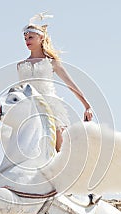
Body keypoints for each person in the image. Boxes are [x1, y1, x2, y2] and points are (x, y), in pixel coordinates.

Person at [17, 12, 93, 152]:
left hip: (49, 106)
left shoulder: (52, 63)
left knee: (60, 147)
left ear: (41, 38)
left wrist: (87, 105)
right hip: (29, 108)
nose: (27, 40)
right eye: (25, 38)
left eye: (31, 37)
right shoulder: (20, 65)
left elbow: (70, 85)